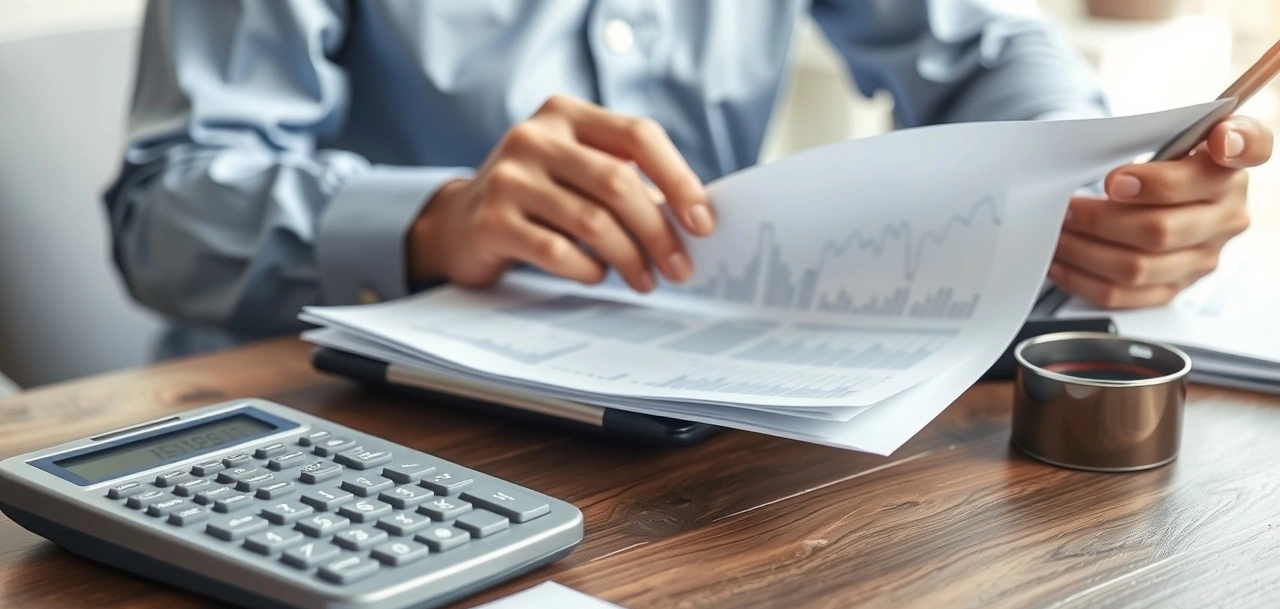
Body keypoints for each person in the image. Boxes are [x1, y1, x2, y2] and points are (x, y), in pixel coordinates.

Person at [105, 1, 1273, 354]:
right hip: (336, 424)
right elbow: (165, 207)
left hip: (689, 404)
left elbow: (983, 45)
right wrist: (434, 218)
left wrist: (1087, 176)